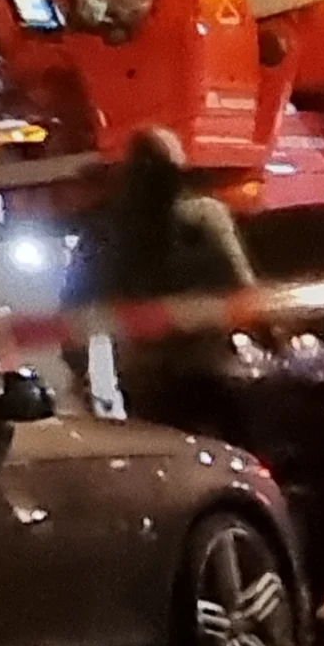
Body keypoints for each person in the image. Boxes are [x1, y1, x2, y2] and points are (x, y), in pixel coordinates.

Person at [61, 126, 257, 431]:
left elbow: (75, 304)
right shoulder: (205, 216)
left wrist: (82, 371)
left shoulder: (106, 228)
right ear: (178, 168)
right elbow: (242, 288)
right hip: (206, 367)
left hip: (143, 374)